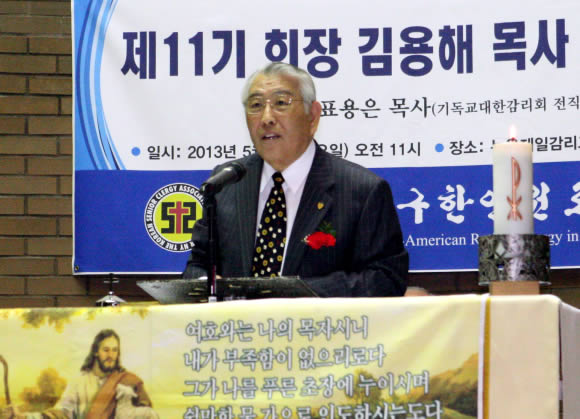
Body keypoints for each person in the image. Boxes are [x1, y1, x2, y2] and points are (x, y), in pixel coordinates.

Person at [183, 62, 408, 297]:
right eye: (256, 105)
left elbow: (385, 278)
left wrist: (292, 295)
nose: (267, 118)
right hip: (237, 320)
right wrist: (209, 285)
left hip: (318, 320)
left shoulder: (362, 190)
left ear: (313, 116)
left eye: (281, 103)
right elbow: (197, 265)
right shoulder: (227, 183)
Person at [38, 329, 157, 419]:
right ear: (95, 351)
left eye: (115, 350)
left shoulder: (127, 380)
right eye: (106, 350)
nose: (111, 356)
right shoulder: (79, 382)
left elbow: (144, 410)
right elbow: (63, 411)